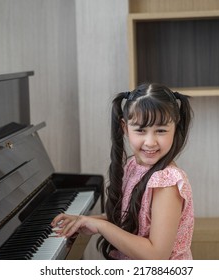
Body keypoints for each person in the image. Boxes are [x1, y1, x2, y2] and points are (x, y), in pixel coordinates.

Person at [51, 83, 194, 260]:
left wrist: (101, 227)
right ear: (125, 128)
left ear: (175, 128)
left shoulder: (167, 182)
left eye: (161, 130)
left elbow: (157, 255)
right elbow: (133, 220)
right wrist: (86, 220)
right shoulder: (134, 165)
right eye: (140, 130)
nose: (150, 142)